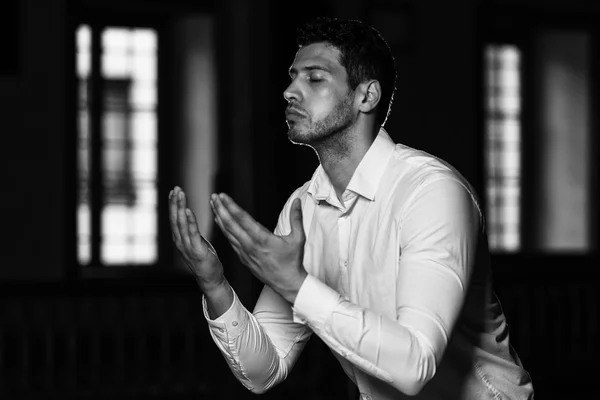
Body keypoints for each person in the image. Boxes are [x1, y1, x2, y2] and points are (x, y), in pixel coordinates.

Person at [169, 16, 534, 400]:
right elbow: (263, 371)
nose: (289, 91)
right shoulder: (303, 207)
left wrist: (296, 284)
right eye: (293, 77)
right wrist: (213, 284)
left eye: (314, 78)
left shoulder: (431, 191)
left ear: (366, 96)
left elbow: (415, 366)